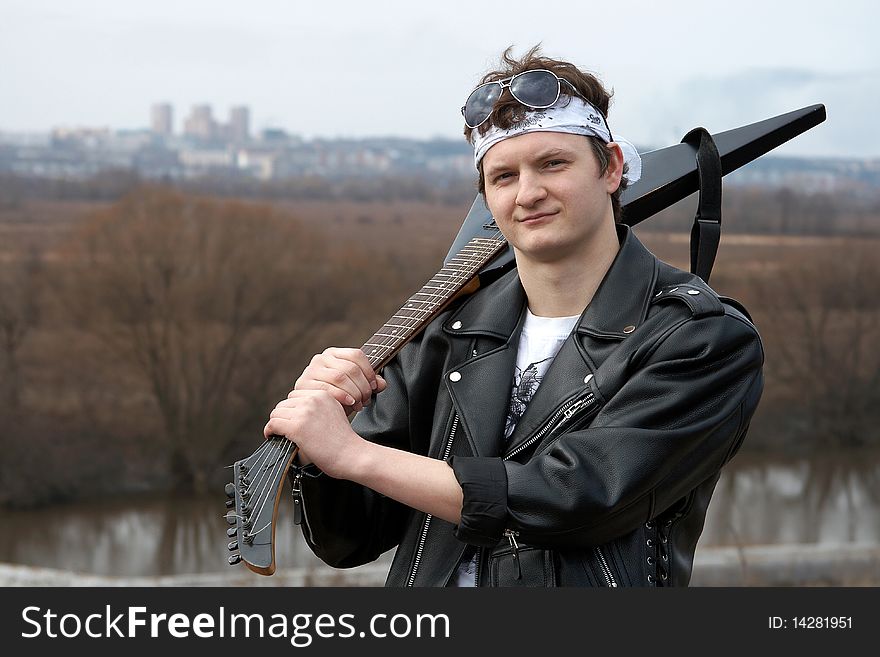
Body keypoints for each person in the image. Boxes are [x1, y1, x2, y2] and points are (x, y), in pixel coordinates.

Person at [263, 45, 764, 587]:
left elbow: (573, 499)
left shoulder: (699, 337)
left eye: (553, 163)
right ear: (486, 197)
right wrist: (321, 448)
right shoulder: (449, 330)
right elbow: (350, 539)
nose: (529, 193)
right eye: (503, 176)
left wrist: (354, 454)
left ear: (612, 168)